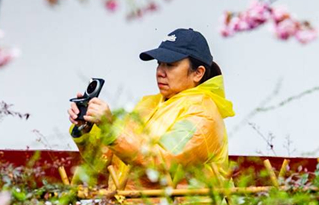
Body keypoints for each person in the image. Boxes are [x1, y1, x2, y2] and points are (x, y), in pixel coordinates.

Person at [68, 27, 234, 194]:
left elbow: (161, 163)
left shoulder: (202, 115)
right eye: (159, 64)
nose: (160, 72)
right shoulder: (148, 104)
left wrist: (111, 126)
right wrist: (87, 128)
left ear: (198, 73)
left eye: (170, 65)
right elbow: (106, 163)